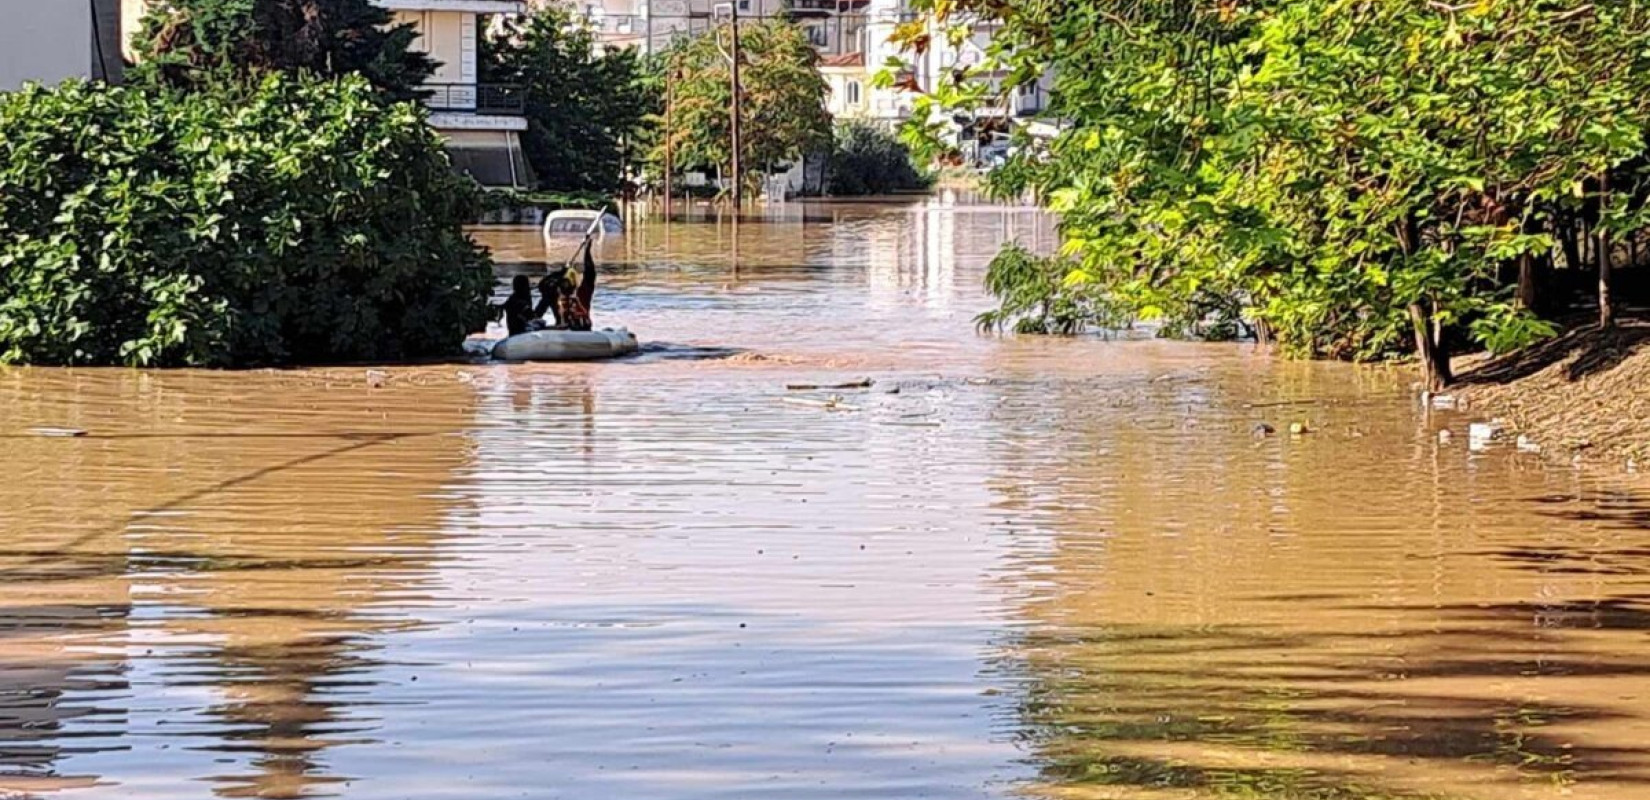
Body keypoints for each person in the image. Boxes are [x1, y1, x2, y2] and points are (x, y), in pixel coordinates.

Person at [536, 239, 597, 332]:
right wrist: (560, 273)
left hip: (582, 331)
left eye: (567, 283)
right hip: (563, 332)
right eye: (563, 283)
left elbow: (590, 274)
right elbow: (543, 285)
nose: (565, 286)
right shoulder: (553, 296)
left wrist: (587, 252)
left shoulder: (582, 294)